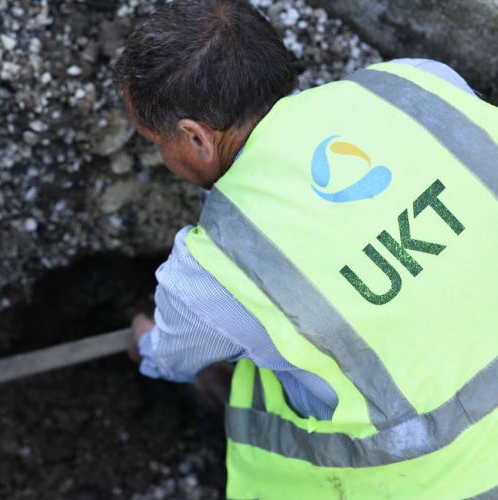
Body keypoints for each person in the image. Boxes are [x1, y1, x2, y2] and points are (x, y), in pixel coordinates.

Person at [113, 0, 498, 498]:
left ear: (196, 136)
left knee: (262, 368)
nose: (160, 156)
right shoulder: (417, 83)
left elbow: (171, 355)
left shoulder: (212, 273)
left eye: (154, 141)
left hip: (456, 477)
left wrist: (143, 340)